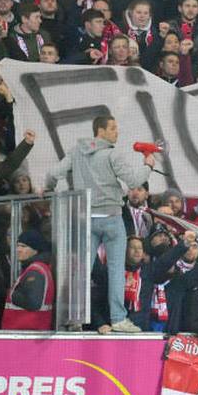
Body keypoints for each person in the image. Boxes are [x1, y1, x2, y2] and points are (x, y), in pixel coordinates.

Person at [45, 115, 153, 333]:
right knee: (115, 270)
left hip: (85, 218)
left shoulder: (76, 152)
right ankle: (119, 319)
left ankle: (73, 317)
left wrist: (48, 189)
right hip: (111, 218)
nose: (117, 132)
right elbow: (133, 182)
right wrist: (148, 165)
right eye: (113, 128)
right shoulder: (112, 153)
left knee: (81, 271)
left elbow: (53, 173)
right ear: (100, 131)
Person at [0, 230, 53, 330]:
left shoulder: (35, 271)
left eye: (24, 246)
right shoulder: (35, 268)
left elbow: (33, 302)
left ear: (36, 250)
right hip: (27, 332)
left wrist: (11, 294)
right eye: (18, 245)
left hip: (27, 333)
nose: (18, 249)